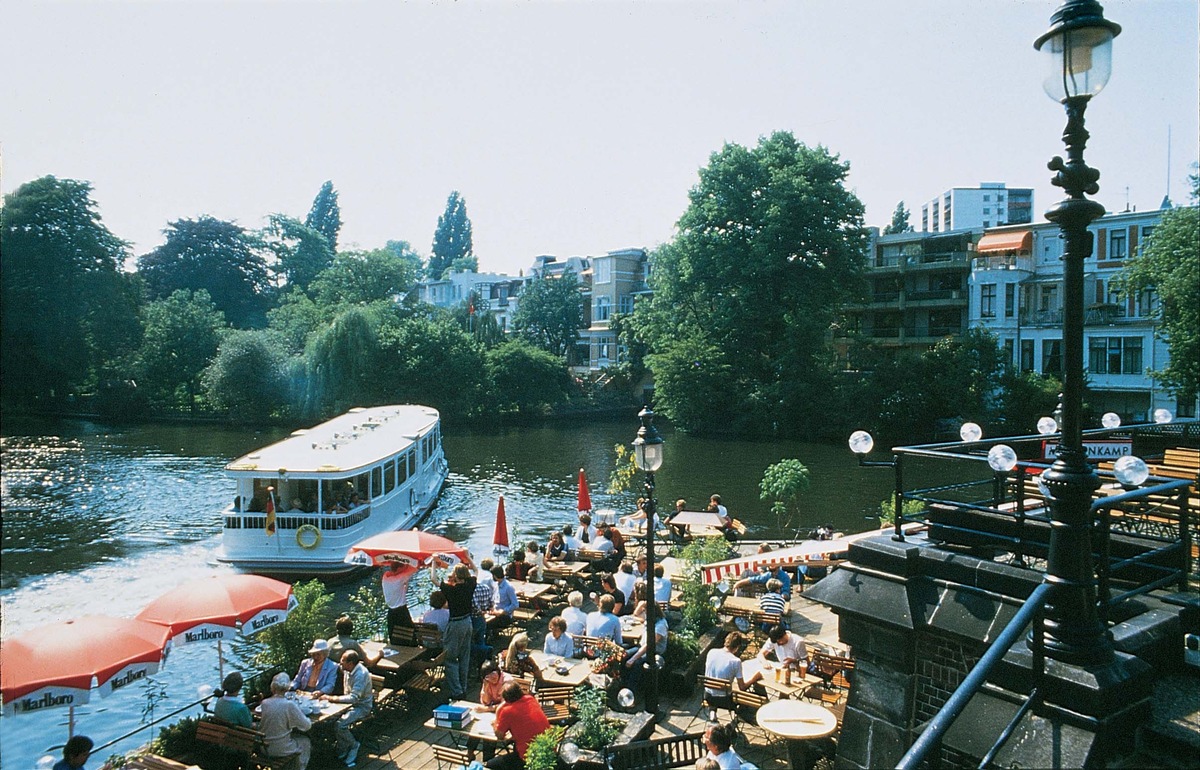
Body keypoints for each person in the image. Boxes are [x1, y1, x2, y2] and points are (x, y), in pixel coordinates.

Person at [319, 650, 373, 767]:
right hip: (347, 705)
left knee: (340, 724)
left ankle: (353, 745)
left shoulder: (361, 674)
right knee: (328, 719)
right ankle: (343, 747)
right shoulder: (347, 670)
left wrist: (331, 698)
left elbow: (354, 698)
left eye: (342, 661)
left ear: (350, 663)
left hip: (361, 706)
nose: (340, 664)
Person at [437, 556, 479, 699]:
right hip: (467, 621)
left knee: (450, 658)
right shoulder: (470, 585)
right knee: (464, 656)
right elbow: (476, 570)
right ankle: (463, 685)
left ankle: (457, 690)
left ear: (455, 575)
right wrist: (467, 558)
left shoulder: (451, 590)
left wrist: (433, 563)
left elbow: (433, 579)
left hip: (455, 623)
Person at [489, 681, 552, 770]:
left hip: (529, 757)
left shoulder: (508, 711)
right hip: (547, 750)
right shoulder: (530, 699)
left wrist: (495, 721)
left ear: (506, 699)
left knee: (491, 764)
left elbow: (499, 735)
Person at [261, 672, 312, 770]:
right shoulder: (289, 705)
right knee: (305, 741)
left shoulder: (265, 703)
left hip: (264, 747)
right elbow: (307, 726)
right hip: (280, 749)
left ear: (272, 687)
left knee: (290, 736)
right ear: (287, 688)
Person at [703, 631, 762, 711]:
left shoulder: (711, 652)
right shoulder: (735, 661)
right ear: (737, 647)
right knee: (749, 697)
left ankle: (712, 711)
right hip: (724, 700)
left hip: (707, 695)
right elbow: (742, 687)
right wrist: (754, 678)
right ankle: (736, 720)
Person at [623, 612, 667, 693]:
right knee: (624, 655)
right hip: (641, 646)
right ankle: (623, 683)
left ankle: (631, 691)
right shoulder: (650, 620)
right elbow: (638, 615)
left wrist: (632, 659)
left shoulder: (660, 626)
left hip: (653, 651)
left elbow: (649, 645)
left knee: (637, 663)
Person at [381, 559, 417, 639]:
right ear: (398, 569)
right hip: (401, 612)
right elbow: (415, 568)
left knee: (394, 637)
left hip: (391, 612)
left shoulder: (385, 576)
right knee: (410, 636)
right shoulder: (400, 578)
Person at [472, 561, 496, 665]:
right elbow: (491, 602)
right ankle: (483, 663)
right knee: (480, 640)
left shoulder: (470, 590)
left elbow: (473, 604)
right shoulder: (485, 588)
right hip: (482, 618)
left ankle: (486, 650)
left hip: (472, 618)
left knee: (467, 644)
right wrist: (485, 610)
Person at [490, 565, 519, 631]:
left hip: (505, 616)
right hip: (495, 612)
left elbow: (515, 604)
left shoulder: (508, 587)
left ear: (494, 576)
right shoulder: (495, 585)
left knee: (488, 624)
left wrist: (503, 611)